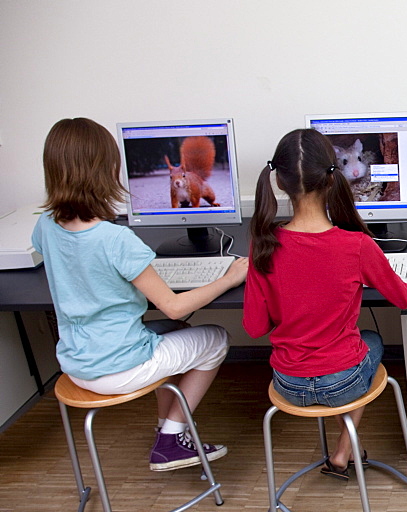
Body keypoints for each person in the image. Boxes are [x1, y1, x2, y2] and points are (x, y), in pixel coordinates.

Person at [243, 128, 407, 480]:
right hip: (341, 384)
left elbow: (256, 327)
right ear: (333, 177)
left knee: (350, 347)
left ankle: (344, 449)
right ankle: (343, 450)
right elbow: (405, 297)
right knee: (372, 341)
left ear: (279, 181)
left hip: (287, 383)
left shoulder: (263, 244)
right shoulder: (356, 246)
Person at [32, 118, 248, 471]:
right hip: (119, 366)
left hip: (75, 363)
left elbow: (74, 261)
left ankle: (167, 429)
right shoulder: (116, 240)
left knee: (176, 334)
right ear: (105, 170)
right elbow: (176, 306)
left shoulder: (44, 225)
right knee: (216, 339)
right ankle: (171, 440)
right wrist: (229, 277)